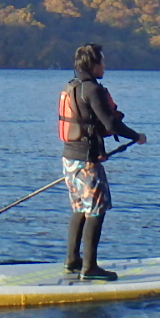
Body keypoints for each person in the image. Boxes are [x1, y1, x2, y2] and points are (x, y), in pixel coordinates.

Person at [58, 43, 146, 281]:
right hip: (87, 162)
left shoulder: (71, 86)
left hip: (70, 159)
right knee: (96, 210)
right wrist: (136, 136)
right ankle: (90, 267)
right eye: (101, 62)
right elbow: (110, 124)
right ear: (92, 64)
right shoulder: (92, 90)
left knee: (79, 209)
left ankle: (72, 260)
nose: (104, 66)